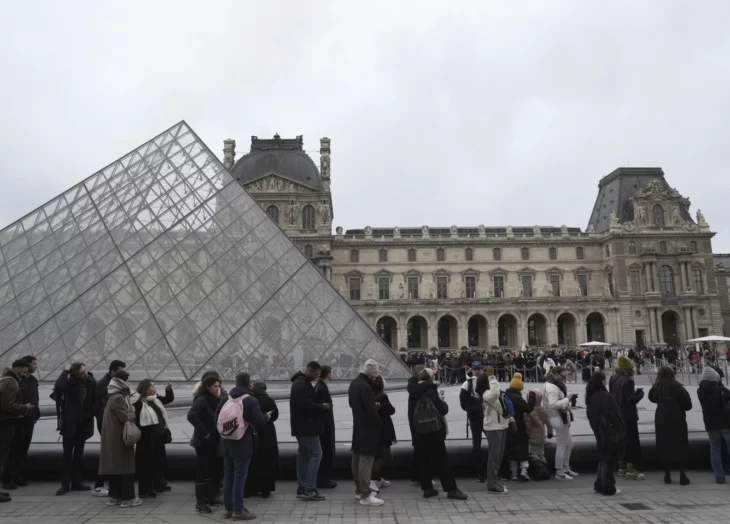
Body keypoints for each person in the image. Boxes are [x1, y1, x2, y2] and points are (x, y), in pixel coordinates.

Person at [215, 372, 270, 521]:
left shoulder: (226, 398)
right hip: (243, 443)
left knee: (228, 476)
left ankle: (228, 509)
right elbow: (259, 422)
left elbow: (217, 419)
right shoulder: (250, 400)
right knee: (240, 477)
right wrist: (267, 416)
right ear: (249, 384)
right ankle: (238, 510)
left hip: (226, 442)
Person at [408, 368, 467, 500]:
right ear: (430, 378)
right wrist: (443, 402)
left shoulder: (412, 391)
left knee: (424, 461)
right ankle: (451, 489)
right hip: (433, 431)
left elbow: (410, 414)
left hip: (418, 431)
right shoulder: (430, 389)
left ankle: (427, 489)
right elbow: (442, 409)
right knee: (442, 461)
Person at [52, 362, 96, 495]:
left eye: (86, 370)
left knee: (79, 454)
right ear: (75, 374)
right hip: (70, 423)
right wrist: (65, 372)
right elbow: (58, 387)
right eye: (82, 372)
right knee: (67, 455)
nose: (85, 374)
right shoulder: (69, 383)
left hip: (83, 423)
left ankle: (77, 482)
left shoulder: (90, 381)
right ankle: (65, 484)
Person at [99, 370, 141, 508]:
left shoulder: (112, 396)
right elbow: (125, 417)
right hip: (120, 438)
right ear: (122, 382)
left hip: (113, 437)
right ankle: (128, 498)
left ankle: (114, 496)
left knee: (114, 468)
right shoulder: (118, 397)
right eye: (128, 380)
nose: (129, 383)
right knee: (125, 468)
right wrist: (133, 412)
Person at [290, 361, 329, 502]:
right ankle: (309, 489)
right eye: (316, 374)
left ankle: (302, 487)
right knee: (316, 454)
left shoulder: (299, 383)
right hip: (307, 427)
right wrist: (321, 406)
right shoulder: (302, 385)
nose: (317, 377)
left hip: (301, 427)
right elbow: (305, 406)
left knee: (303, 456)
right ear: (310, 371)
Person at [349, 359, 385, 506]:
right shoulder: (365, 387)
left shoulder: (354, 383)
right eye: (375, 376)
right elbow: (371, 412)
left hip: (358, 425)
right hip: (368, 428)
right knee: (366, 460)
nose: (375, 378)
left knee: (357, 459)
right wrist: (379, 423)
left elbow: (353, 404)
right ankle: (366, 494)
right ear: (371, 374)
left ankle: (358, 490)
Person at [648, 367, 692, 485]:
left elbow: (650, 397)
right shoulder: (678, 387)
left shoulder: (657, 387)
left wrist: (661, 400)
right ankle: (682, 474)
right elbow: (688, 405)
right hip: (677, 419)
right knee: (680, 444)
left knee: (664, 444)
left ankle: (667, 474)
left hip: (662, 419)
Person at [2, 355, 39, 490]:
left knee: (22, 450)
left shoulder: (32, 380)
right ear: (25, 366)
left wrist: (36, 413)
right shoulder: (15, 381)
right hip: (17, 419)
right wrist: (23, 408)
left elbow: (35, 398)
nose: (36, 366)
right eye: (34, 364)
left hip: (28, 418)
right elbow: (9, 402)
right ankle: (8, 478)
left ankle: (17, 476)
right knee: (13, 450)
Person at [133, 379, 174, 498]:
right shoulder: (139, 404)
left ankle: (158, 484)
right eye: (152, 387)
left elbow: (169, 399)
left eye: (155, 386)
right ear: (145, 389)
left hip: (158, 437)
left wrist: (169, 390)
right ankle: (146, 490)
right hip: (147, 439)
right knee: (148, 464)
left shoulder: (156, 400)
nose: (154, 388)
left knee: (159, 462)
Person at [187, 374, 222, 514]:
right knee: (202, 471)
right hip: (203, 442)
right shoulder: (201, 400)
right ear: (207, 387)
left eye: (218, 386)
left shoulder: (213, 399)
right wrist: (205, 432)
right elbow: (191, 415)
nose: (217, 389)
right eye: (215, 386)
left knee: (211, 469)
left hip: (212, 441)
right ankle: (200, 502)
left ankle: (210, 497)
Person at [585, 371, 624, 496]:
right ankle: (608, 486)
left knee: (604, 457)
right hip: (608, 430)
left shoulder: (590, 395)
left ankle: (599, 483)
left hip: (597, 428)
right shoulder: (606, 396)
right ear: (602, 381)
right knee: (609, 459)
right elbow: (616, 414)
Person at [93, 359, 126, 497]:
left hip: (109, 423)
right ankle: (99, 484)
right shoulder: (104, 385)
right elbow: (101, 407)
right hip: (108, 424)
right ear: (112, 371)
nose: (123, 375)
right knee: (108, 453)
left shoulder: (108, 383)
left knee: (109, 453)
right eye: (120, 371)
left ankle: (107, 483)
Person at [609, 355, 645, 480]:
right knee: (631, 442)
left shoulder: (613, 377)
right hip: (628, 416)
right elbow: (629, 400)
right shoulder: (628, 380)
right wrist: (639, 395)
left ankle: (621, 467)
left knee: (621, 442)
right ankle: (631, 469)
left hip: (616, 414)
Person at [245, 381, 279, 498]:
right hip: (267, 432)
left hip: (252, 432)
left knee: (252, 461)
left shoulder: (249, 400)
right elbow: (275, 415)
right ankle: (265, 489)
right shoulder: (269, 400)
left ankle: (250, 489)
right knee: (267, 460)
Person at [543, 366, 578, 480]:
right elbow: (553, 404)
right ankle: (559, 471)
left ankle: (565, 467)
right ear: (558, 374)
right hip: (558, 417)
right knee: (562, 445)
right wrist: (567, 399)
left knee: (569, 443)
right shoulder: (553, 387)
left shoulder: (551, 383)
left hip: (559, 417)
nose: (565, 376)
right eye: (564, 374)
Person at [697, 366, 730, 483]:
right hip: (725, 424)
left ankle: (719, 477)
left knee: (714, 450)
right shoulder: (720, 389)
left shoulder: (699, 391)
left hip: (710, 425)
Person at [481, 367, 511, 493]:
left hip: (502, 425)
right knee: (494, 457)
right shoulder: (487, 393)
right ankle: (491, 484)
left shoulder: (493, 391)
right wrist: (492, 377)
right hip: (493, 427)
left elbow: (503, 405)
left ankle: (494, 481)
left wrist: (511, 420)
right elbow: (495, 393)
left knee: (498, 456)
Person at [504, 373, 536, 481]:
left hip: (507, 426)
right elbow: (528, 408)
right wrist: (532, 398)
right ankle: (524, 471)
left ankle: (513, 473)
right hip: (520, 426)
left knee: (511, 449)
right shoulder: (518, 398)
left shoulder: (505, 396)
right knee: (522, 448)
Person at [459, 361, 487, 482]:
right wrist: (476, 409)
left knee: (494, 443)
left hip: (487, 417)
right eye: (475, 369)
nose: (476, 371)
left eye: (478, 369)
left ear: (482, 370)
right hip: (475, 417)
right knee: (477, 445)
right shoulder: (466, 384)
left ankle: (491, 470)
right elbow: (463, 403)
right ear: (472, 370)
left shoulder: (488, 382)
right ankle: (480, 472)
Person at [370, 375, 396, 491]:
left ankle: (378, 478)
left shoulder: (368, 394)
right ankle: (374, 478)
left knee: (377, 455)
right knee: (385, 455)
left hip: (374, 428)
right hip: (384, 428)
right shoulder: (383, 396)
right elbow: (391, 410)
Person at [314, 365, 337, 489]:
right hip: (325, 427)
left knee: (325, 452)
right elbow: (322, 409)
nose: (332, 375)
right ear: (327, 373)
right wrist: (327, 426)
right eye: (331, 372)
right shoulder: (321, 387)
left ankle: (324, 479)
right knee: (325, 453)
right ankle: (323, 480)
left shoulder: (320, 386)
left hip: (324, 426)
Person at [524, 390, 552, 480]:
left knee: (533, 454)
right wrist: (550, 432)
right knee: (541, 454)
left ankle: (539, 471)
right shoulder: (543, 410)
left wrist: (526, 434)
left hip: (532, 437)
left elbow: (528, 425)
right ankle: (546, 470)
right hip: (541, 436)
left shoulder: (529, 411)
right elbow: (548, 423)